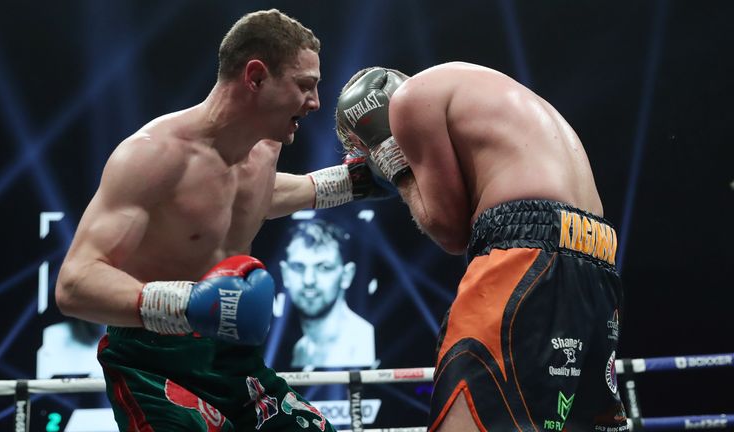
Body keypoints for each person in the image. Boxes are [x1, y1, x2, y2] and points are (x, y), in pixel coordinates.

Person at [55, 9, 389, 431]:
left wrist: (353, 181)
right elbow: (74, 284)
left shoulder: (265, 148)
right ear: (255, 77)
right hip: (153, 365)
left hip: (234, 361)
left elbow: (254, 198)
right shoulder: (152, 155)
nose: (316, 102)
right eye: (305, 86)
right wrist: (189, 305)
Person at [335, 63, 628, 431]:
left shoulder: (409, 102)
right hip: (595, 256)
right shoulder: (483, 90)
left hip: (525, 257)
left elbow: (449, 230)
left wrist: (393, 160)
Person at [280, 219, 375, 369]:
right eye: (298, 267)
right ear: (285, 274)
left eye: (324, 267)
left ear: (346, 275)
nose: (308, 280)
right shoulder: (300, 349)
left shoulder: (363, 339)